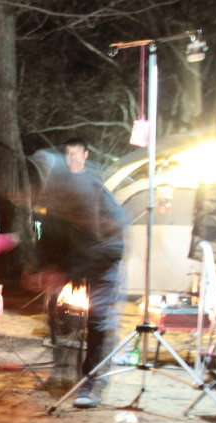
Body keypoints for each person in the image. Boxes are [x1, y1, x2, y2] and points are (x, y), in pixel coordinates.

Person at [38, 137, 128, 408]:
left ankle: (92, 382)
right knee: (55, 308)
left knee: (98, 320)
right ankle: (62, 371)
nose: (71, 158)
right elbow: (51, 232)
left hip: (104, 258)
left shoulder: (93, 187)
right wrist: (46, 267)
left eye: (76, 153)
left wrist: (70, 266)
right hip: (79, 260)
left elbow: (115, 233)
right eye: (67, 154)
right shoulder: (59, 191)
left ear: (85, 155)